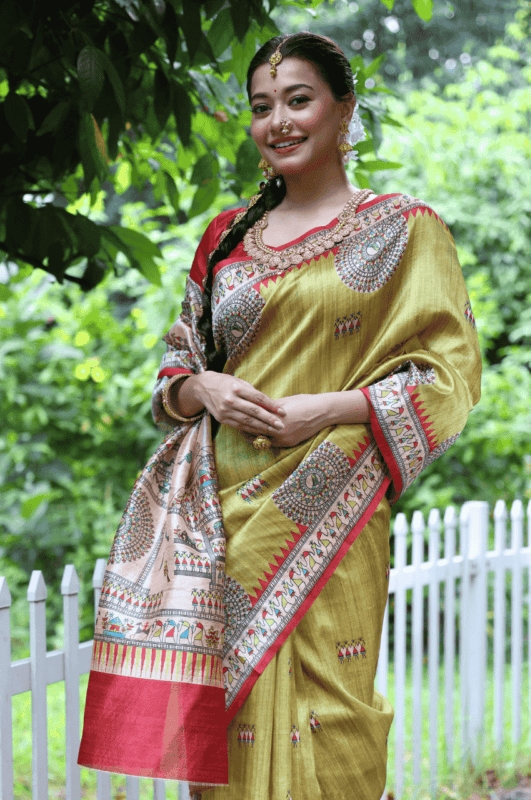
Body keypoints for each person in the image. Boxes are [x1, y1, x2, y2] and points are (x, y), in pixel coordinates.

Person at [78, 32, 482, 800]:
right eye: (263, 107)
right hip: (220, 515)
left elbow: (449, 374)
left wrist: (328, 410)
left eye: (299, 100)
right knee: (232, 729)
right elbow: (174, 371)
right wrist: (207, 391)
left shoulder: (404, 230)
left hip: (333, 507)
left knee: (338, 712)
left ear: (343, 111)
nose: (279, 120)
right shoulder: (226, 237)